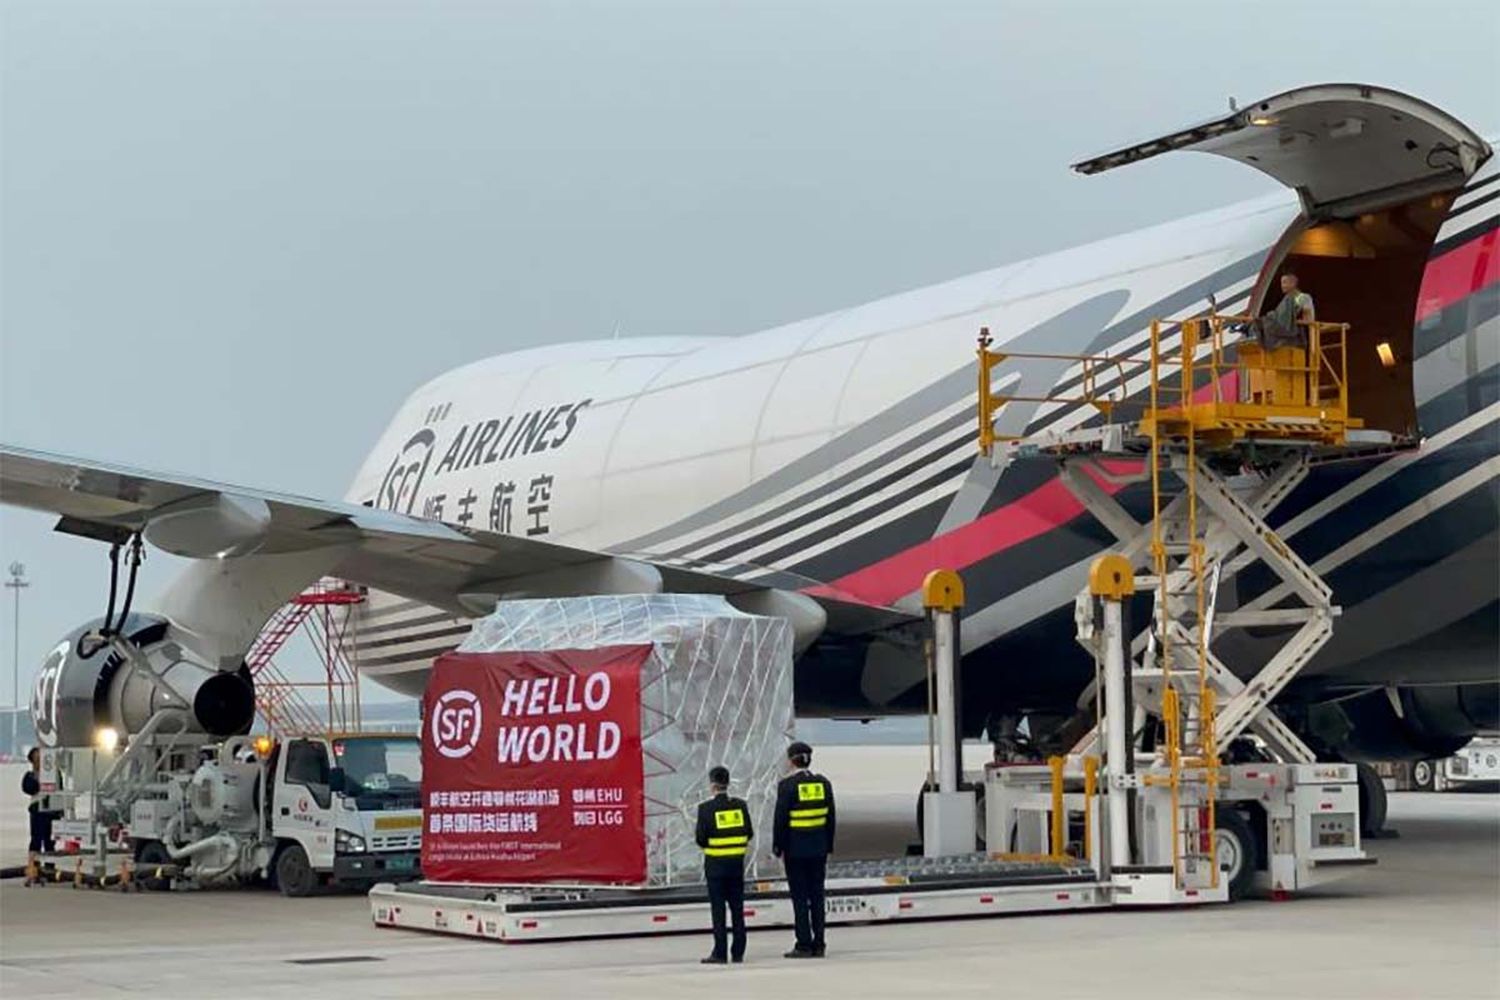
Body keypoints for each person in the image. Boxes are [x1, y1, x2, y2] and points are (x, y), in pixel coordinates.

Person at [773, 740, 836, 959]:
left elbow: (780, 820)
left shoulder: (787, 786)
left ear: (791, 761)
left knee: (800, 898)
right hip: (818, 850)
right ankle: (820, 943)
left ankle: (803, 943)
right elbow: (831, 818)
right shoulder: (823, 783)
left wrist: (778, 846)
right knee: (817, 896)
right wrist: (828, 845)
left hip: (796, 851)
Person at [694, 765, 753, 965]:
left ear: (712, 785)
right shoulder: (740, 806)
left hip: (716, 868)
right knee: (738, 909)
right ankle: (738, 952)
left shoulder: (705, 809)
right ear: (727, 783)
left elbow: (701, 839)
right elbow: (749, 833)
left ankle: (720, 952)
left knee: (718, 911)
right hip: (736, 866)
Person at [22, 748, 56, 886]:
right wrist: (38, 779)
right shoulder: (30, 775)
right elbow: (28, 788)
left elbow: (59, 788)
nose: (39, 761)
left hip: (52, 809)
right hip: (37, 808)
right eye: (36, 759)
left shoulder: (54, 773)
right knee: (36, 839)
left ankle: (50, 868)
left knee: (50, 841)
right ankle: (34, 867)